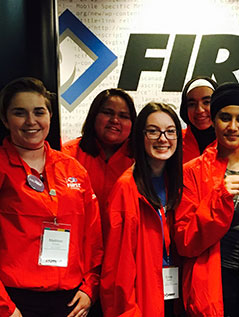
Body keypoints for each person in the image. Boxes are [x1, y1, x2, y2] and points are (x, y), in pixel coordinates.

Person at [174, 83, 239, 316]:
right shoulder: (192, 171)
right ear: (213, 120)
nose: (233, 127)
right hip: (214, 285)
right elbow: (185, 242)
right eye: (225, 118)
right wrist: (220, 199)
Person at [0, 77, 102, 316]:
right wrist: (5, 306)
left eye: (39, 111)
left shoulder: (73, 168)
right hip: (15, 302)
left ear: (50, 116)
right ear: (5, 119)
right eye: (19, 113)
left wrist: (89, 288)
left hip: (69, 300)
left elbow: (93, 236)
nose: (31, 121)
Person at [100, 102, 183, 316]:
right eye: (153, 131)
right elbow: (118, 268)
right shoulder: (126, 188)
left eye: (170, 131)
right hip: (142, 301)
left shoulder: (178, 183)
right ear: (140, 136)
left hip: (173, 295)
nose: (162, 138)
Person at [62, 88, 136, 212]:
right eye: (108, 113)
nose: (115, 120)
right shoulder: (67, 155)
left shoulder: (141, 160)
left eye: (123, 116)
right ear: (94, 116)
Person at [179, 76, 218, 163]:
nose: (199, 110)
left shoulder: (229, 142)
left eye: (207, 102)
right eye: (192, 104)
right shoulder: (175, 140)